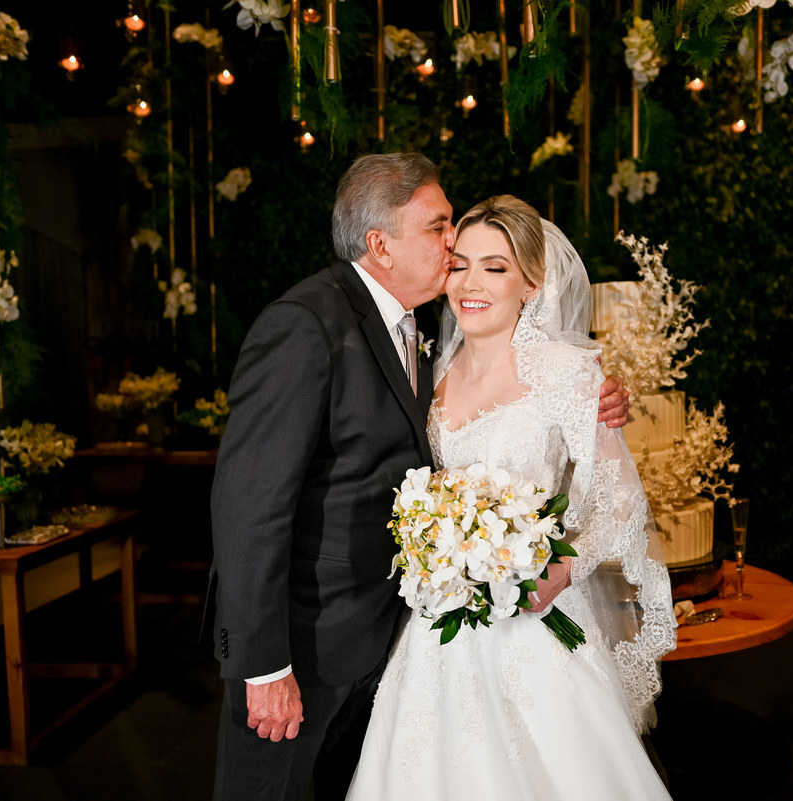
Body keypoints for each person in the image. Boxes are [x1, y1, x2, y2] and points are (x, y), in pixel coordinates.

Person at [208, 155, 630, 801]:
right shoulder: (306, 324)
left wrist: (597, 405)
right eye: (439, 229)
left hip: (402, 639)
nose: (453, 246)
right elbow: (249, 506)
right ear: (380, 244)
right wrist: (263, 664)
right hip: (305, 644)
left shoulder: (427, 338)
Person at [345, 195, 677, 800]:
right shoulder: (427, 371)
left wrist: (562, 570)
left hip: (535, 620)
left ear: (531, 284)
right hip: (439, 627)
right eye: (460, 265)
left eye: (495, 268)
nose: (471, 284)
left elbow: (622, 501)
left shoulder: (568, 373)